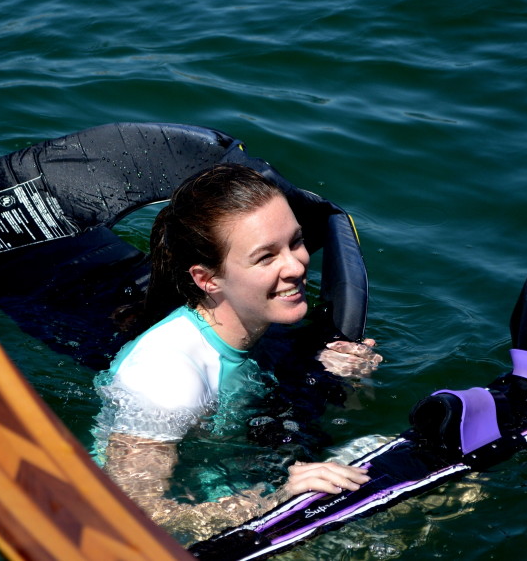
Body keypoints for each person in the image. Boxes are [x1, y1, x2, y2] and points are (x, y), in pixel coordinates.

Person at [92, 163, 382, 539]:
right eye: (266, 257)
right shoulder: (167, 380)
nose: (296, 266)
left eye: (295, 242)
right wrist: (280, 500)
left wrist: (343, 379)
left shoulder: (258, 326)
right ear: (207, 279)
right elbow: (133, 516)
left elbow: (334, 416)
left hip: (229, 478)